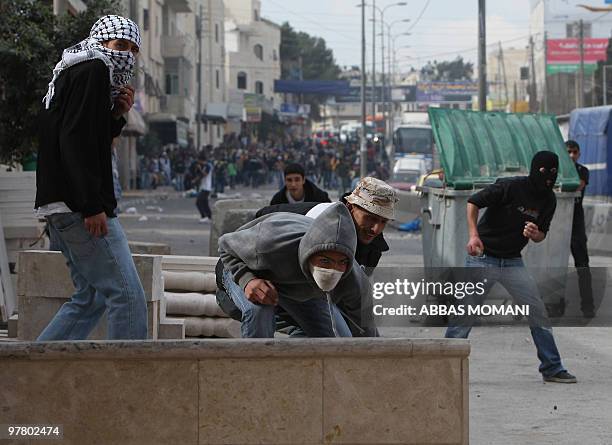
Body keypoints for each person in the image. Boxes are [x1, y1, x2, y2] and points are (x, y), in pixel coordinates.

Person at [35, 15, 147, 340]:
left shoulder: (73, 69)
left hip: (60, 205)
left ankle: (35, 372)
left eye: (132, 49)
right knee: (127, 297)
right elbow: (75, 142)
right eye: (119, 45)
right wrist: (91, 205)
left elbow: (79, 134)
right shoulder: (94, 69)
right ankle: (129, 381)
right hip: (79, 207)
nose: (125, 54)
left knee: (92, 297)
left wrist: (114, 116)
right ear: (101, 41)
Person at [445, 151, 577, 383]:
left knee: (537, 311)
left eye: (553, 173)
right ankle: (443, 367)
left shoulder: (549, 199)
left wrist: (536, 234)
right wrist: (473, 236)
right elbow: (473, 202)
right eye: (544, 172)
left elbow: (542, 234)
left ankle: (552, 367)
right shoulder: (510, 187)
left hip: (513, 261)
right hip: (483, 257)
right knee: (464, 315)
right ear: (535, 169)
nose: (548, 178)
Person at [218, 203, 371, 338]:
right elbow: (225, 245)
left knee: (336, 339)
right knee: (259, 311)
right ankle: (257, 367)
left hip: (304, 286)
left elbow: (365, 329)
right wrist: (247, 280)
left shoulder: (353, 278)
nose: (332, 270)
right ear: (310, 253)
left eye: (341, 262)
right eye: (324, 261)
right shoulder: (270, 244)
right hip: (245, 267)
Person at [566, 140, 595, 318]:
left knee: (583, 265)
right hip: (558, 223)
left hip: (576, 223)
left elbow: (576, 186)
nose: (572, 156)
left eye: (575, 152)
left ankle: (588, 306)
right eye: (568, 152)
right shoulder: (557, 170)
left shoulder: (582, 171)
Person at [195, 153, 213, 223]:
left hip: (206, 187)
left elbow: (205, 174)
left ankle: (204, 216)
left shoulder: (208, 166)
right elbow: (201, 176)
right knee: (205, 203)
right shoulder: (204, 166)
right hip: (203, 187)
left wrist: (200, 169)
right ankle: (209, 216)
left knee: (199, 202)